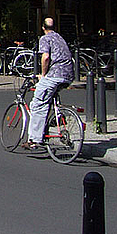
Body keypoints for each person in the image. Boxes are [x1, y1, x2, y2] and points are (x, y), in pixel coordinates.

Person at [24, 17, 74, 150]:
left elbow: (45, 57)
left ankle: (34, 140)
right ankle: (56, 116)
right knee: (49, 97)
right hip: (68, 75)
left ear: (43, 27)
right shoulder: (60, 38)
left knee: (38, 104)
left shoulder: (45, 38)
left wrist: (43, 75)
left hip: (55, 75)